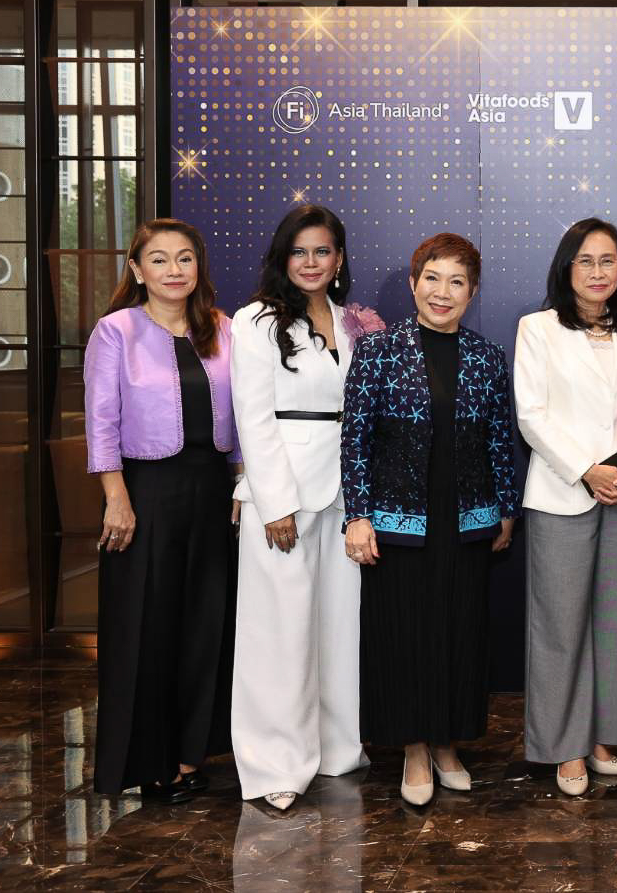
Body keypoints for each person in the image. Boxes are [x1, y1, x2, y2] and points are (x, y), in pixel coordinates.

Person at [340, 233, 519, 807]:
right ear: (415, 283)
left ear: (472, 291)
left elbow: (499, 438)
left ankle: (447, 744)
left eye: (457, 282)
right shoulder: (378, 350)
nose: (443, 292)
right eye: (433, 279)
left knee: (459, 633)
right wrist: (357, 515)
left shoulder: (487, 355)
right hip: (397, 520)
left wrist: (506, 509)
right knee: (405, 636)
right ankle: (415, 750)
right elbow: (355, 439)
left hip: (467, 518)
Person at [230, 205, 379, 811]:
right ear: (282, 257)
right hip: (282, 490)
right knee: (279, 630)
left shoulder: (351, 321)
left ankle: (337, 748)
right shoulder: (256, 320)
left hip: (345, 488)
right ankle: (275, 764)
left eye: (323, 251)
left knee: (339, 626)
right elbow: (252, 416)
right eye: (300, 251)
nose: (311, 262)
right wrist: (274, 502)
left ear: (339, 259)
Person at [84, 218, 239, 802]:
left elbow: (244, 414)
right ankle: (151, 764)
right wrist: (116, 498)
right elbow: (101, 421)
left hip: (213, 491)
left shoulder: (222, 328)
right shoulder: (116, 331)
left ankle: (191, 752)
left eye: (185, 259)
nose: (174, 270)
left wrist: (243, 486)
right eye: (159, 259)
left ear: (199, 267)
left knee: (206, 625)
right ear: (136, 269)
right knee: (147, 630)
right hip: (145, 492)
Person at [515, 219, 617, 797]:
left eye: (608, 261)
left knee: (615, 623)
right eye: (586, 261)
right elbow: (532, 415)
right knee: (560, 626)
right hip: (562, 491)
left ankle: (603, 738)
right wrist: (585, 469)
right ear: (566, 268)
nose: (598, 272)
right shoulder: (538, 328)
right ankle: (565, 747)